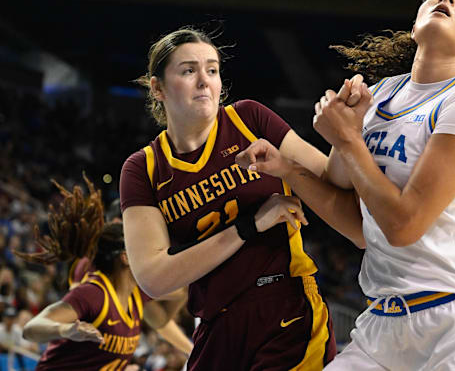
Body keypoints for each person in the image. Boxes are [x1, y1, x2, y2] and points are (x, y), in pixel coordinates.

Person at [236, 0, 455, 370]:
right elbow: (358, 224)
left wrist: (349, 140)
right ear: (415, 24)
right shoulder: (380, 95)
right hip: (382, 325)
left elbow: (404, 225)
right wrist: (289, 169)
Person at [119, 27, 336, 370]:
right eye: (189, 70)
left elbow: (331, 178)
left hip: (283, 303)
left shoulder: (249, 118)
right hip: (215, 322)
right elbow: (154, 278)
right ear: (157, 87)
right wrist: (250, 226)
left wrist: (345, 137)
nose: (204, 81)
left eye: (212, 70)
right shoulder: (142, 168)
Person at [17, 176, 193, 370]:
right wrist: (65, 329)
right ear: (125, 256)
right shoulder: (94, 290)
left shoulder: (135, 292)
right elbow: (31, 329)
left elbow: (161, 317)